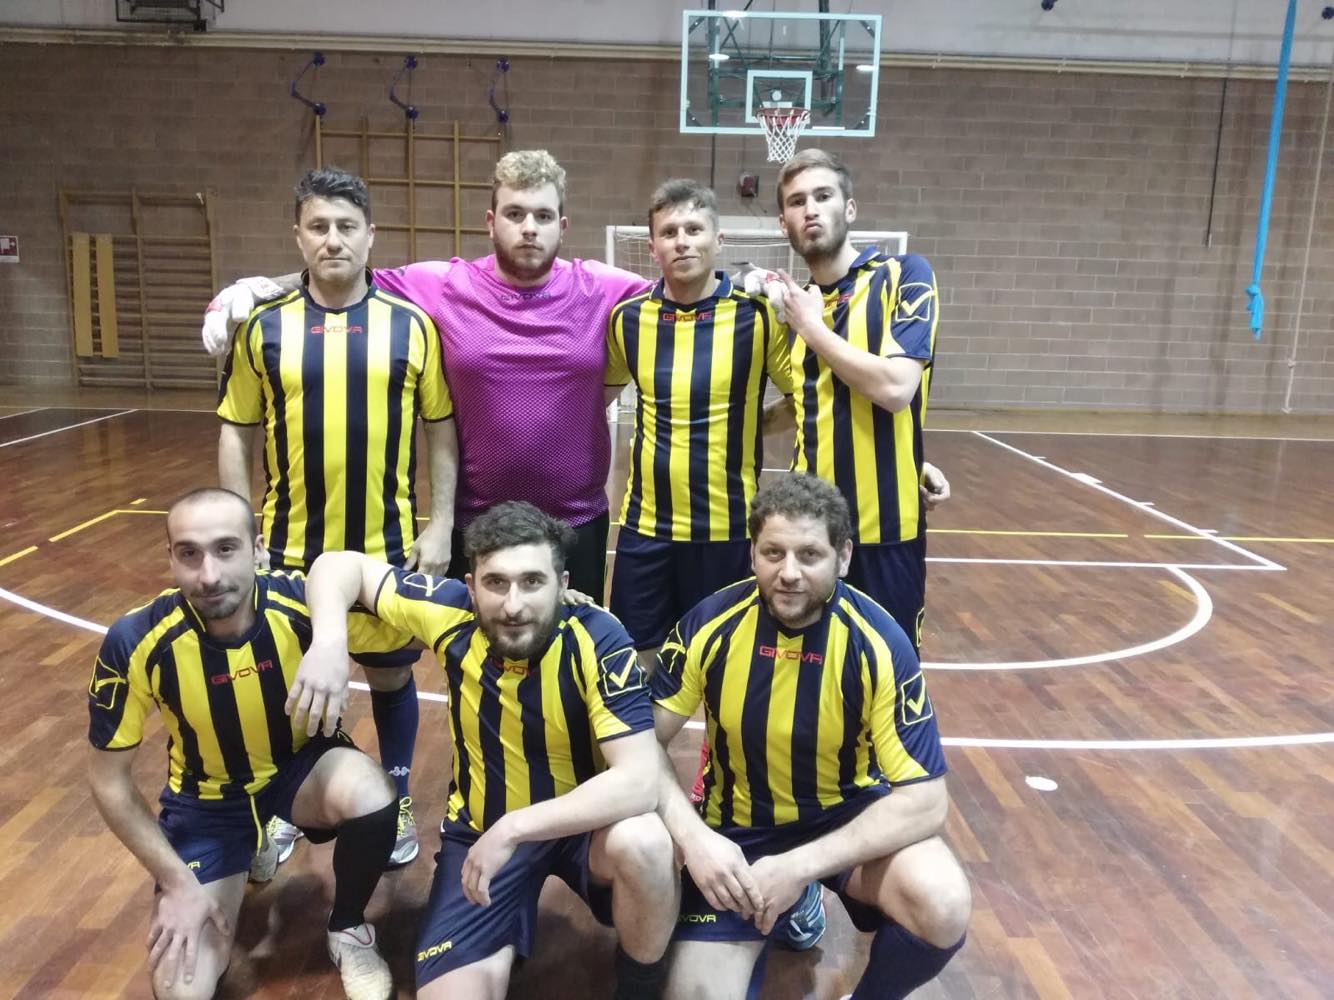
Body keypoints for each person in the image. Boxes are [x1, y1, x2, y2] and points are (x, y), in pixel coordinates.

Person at [205, 150, 649, 599]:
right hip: (476, 521)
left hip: (575, 519)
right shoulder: (442, 284)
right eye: (515, 214)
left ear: (563, 225)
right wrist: (259, 288)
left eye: (543, 215)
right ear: (491, 222)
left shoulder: (603, 288)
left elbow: (678, 295)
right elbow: (342, 270)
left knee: (574, 641)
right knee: (473, 643)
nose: (529, 227)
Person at [297, 501, 679, 999]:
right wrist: (328, 643)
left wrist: (514, 828)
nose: (513, 605)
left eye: (532, 582)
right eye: (496, 583)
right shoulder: (451, 610)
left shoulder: (600, 635)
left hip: (583, 831)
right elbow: (337, 565)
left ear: (563, 584)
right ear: (471, 586)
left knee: (646, 842)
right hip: (479, 827)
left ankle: (639, 987)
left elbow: (640, 781)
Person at [217, 166, 458, 868]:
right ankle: (285, 807)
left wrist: (441, 523)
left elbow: (441, 428)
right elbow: (236, 428)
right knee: (289, 685)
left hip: (385, 548)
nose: (333, 239)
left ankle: (397, 796)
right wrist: (238, 533)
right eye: (318, 226)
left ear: (370, 235)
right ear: (297, 236)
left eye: (346, 226)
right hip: (289, 550)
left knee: (390, 678)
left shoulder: (412, 326)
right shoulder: (263, 329)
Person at [650, 474, 971, 1000]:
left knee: (943, 900)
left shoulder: (879, 642)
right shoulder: (708, 626)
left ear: (843, 557)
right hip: (739, 831)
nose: (789, 573)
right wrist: (696, 840)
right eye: (773, 553)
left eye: (809, 555)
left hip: (845, 817)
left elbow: (927, 801)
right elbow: (643, 747)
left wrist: (798, 866)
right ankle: (791, 903)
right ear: (752, 553)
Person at [86, 488, 408, 1000]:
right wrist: (177, 882)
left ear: (258, 550)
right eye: (189, 554)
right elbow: (108, 781)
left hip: (298, 769)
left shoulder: (303, 606)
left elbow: (421, 619)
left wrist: (332, 641)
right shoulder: (136, 640)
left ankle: (349, 927)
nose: (209, 575)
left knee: (371, 794)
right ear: (170, 558)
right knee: (180, 988)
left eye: (226, 549)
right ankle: (248, 843)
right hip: (206, 802)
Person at [603, 178, 794, 672]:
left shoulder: (758, 317)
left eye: (694, 229)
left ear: (718, 240)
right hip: (646, 529)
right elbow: (595, 396)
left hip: (727, 532)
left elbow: (807, 399)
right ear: (652, 247)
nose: (682, 241)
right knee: (636, 667)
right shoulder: (627, 320)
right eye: (669, 232)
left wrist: (751, 425)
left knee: (723, 669)